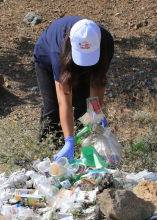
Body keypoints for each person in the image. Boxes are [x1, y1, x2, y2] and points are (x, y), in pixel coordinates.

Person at [33, 17, 114, 163]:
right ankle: (44, 155)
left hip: (86, 56)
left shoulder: (106, 42)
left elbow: (97, 83)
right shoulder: (57, 50)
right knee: (52, 110)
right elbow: (65, 103)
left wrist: (96, 113)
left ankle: (79, 152)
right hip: (48, 60)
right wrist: (69, 140)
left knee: (83, 109)